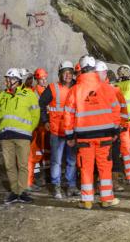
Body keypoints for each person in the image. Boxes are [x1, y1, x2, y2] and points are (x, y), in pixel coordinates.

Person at [63, 55, 121, 209]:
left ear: (80, 70)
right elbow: (116, 110)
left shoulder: (75, 90)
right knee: (104, 167)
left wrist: (69, 135)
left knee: (86, 168)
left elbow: (68, 114)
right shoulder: (107, 88)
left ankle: (87, 200)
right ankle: (106, 199)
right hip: (105, 136)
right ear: (94, 70)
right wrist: (116, 130)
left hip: (84, 138)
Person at [0, 68, 40, 204]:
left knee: (22, 165)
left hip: (23, 136)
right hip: (6, 135)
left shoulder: (29, 94)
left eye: (10, 79)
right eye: (7, 79)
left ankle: (22, 192)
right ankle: (14, 192)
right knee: (9, 165)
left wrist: (28, 129)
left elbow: (35, 114)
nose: (7, 81)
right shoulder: (3, 95)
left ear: (17, 80)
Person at [39, 61, 79, 199]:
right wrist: (45, 121)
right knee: (56, 161)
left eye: (70, 72)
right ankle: (56, 186)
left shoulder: (78, 87)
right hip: (56, 131)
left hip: (72, 131)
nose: (68, 75)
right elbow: (41, 103)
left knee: (71, 160)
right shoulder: (52, 88)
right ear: (60, 74)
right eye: (65, 72)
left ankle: (71, 186)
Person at [95, 61, 126, 192]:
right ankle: (99, 184)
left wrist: (120, 126)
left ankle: (114, 182)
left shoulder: (113, 89)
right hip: (99, 129)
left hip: (112, 128)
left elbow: (122, 108)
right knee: (100, 157)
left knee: (113, 155)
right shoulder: (94, 88)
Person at [28, 68, 50, 191]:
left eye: (45, 78)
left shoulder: (47, 90)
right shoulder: (35, 91)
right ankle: (36, 176)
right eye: (42, 79)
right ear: (37, 79)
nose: (44, 80)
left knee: (46, 152)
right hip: (38, 126)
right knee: (36, 152)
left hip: (45, 126)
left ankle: (45, 176)